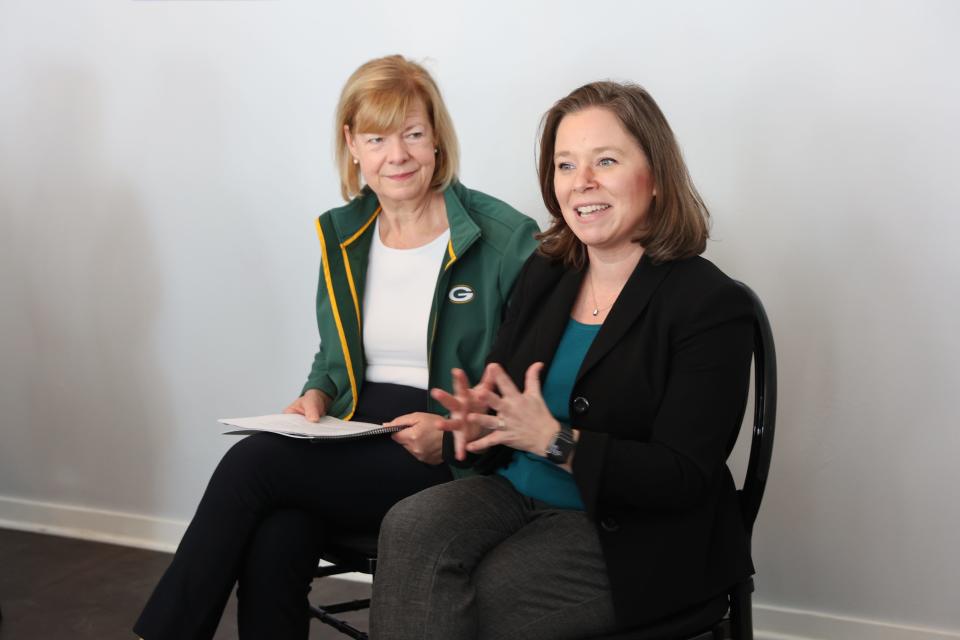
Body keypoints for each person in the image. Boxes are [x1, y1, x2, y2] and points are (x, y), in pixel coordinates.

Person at [134, 55, 539, 640]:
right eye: (376, 138)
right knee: (278, 531)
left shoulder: (503, 238)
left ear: (436, 139)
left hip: (448, 450)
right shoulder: (342, 234)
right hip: (358, 433)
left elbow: (531, 380)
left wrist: (452, 434)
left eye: (412, 134)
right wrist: (315, 395)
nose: (395, 155)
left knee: (253, 463)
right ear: (352, 145)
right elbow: (333, 356)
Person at [369, 81, 755, 640]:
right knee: (410, 525)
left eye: (606, 161)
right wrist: (478, 424)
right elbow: (504, 404)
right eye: (566, 165)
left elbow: (684, 478)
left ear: (656, 175)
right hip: (516, 494)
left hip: (633, 530)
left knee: (482, 593)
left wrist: (555, 440)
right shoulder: (547, 272)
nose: (583, 184)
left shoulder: (708, 304)